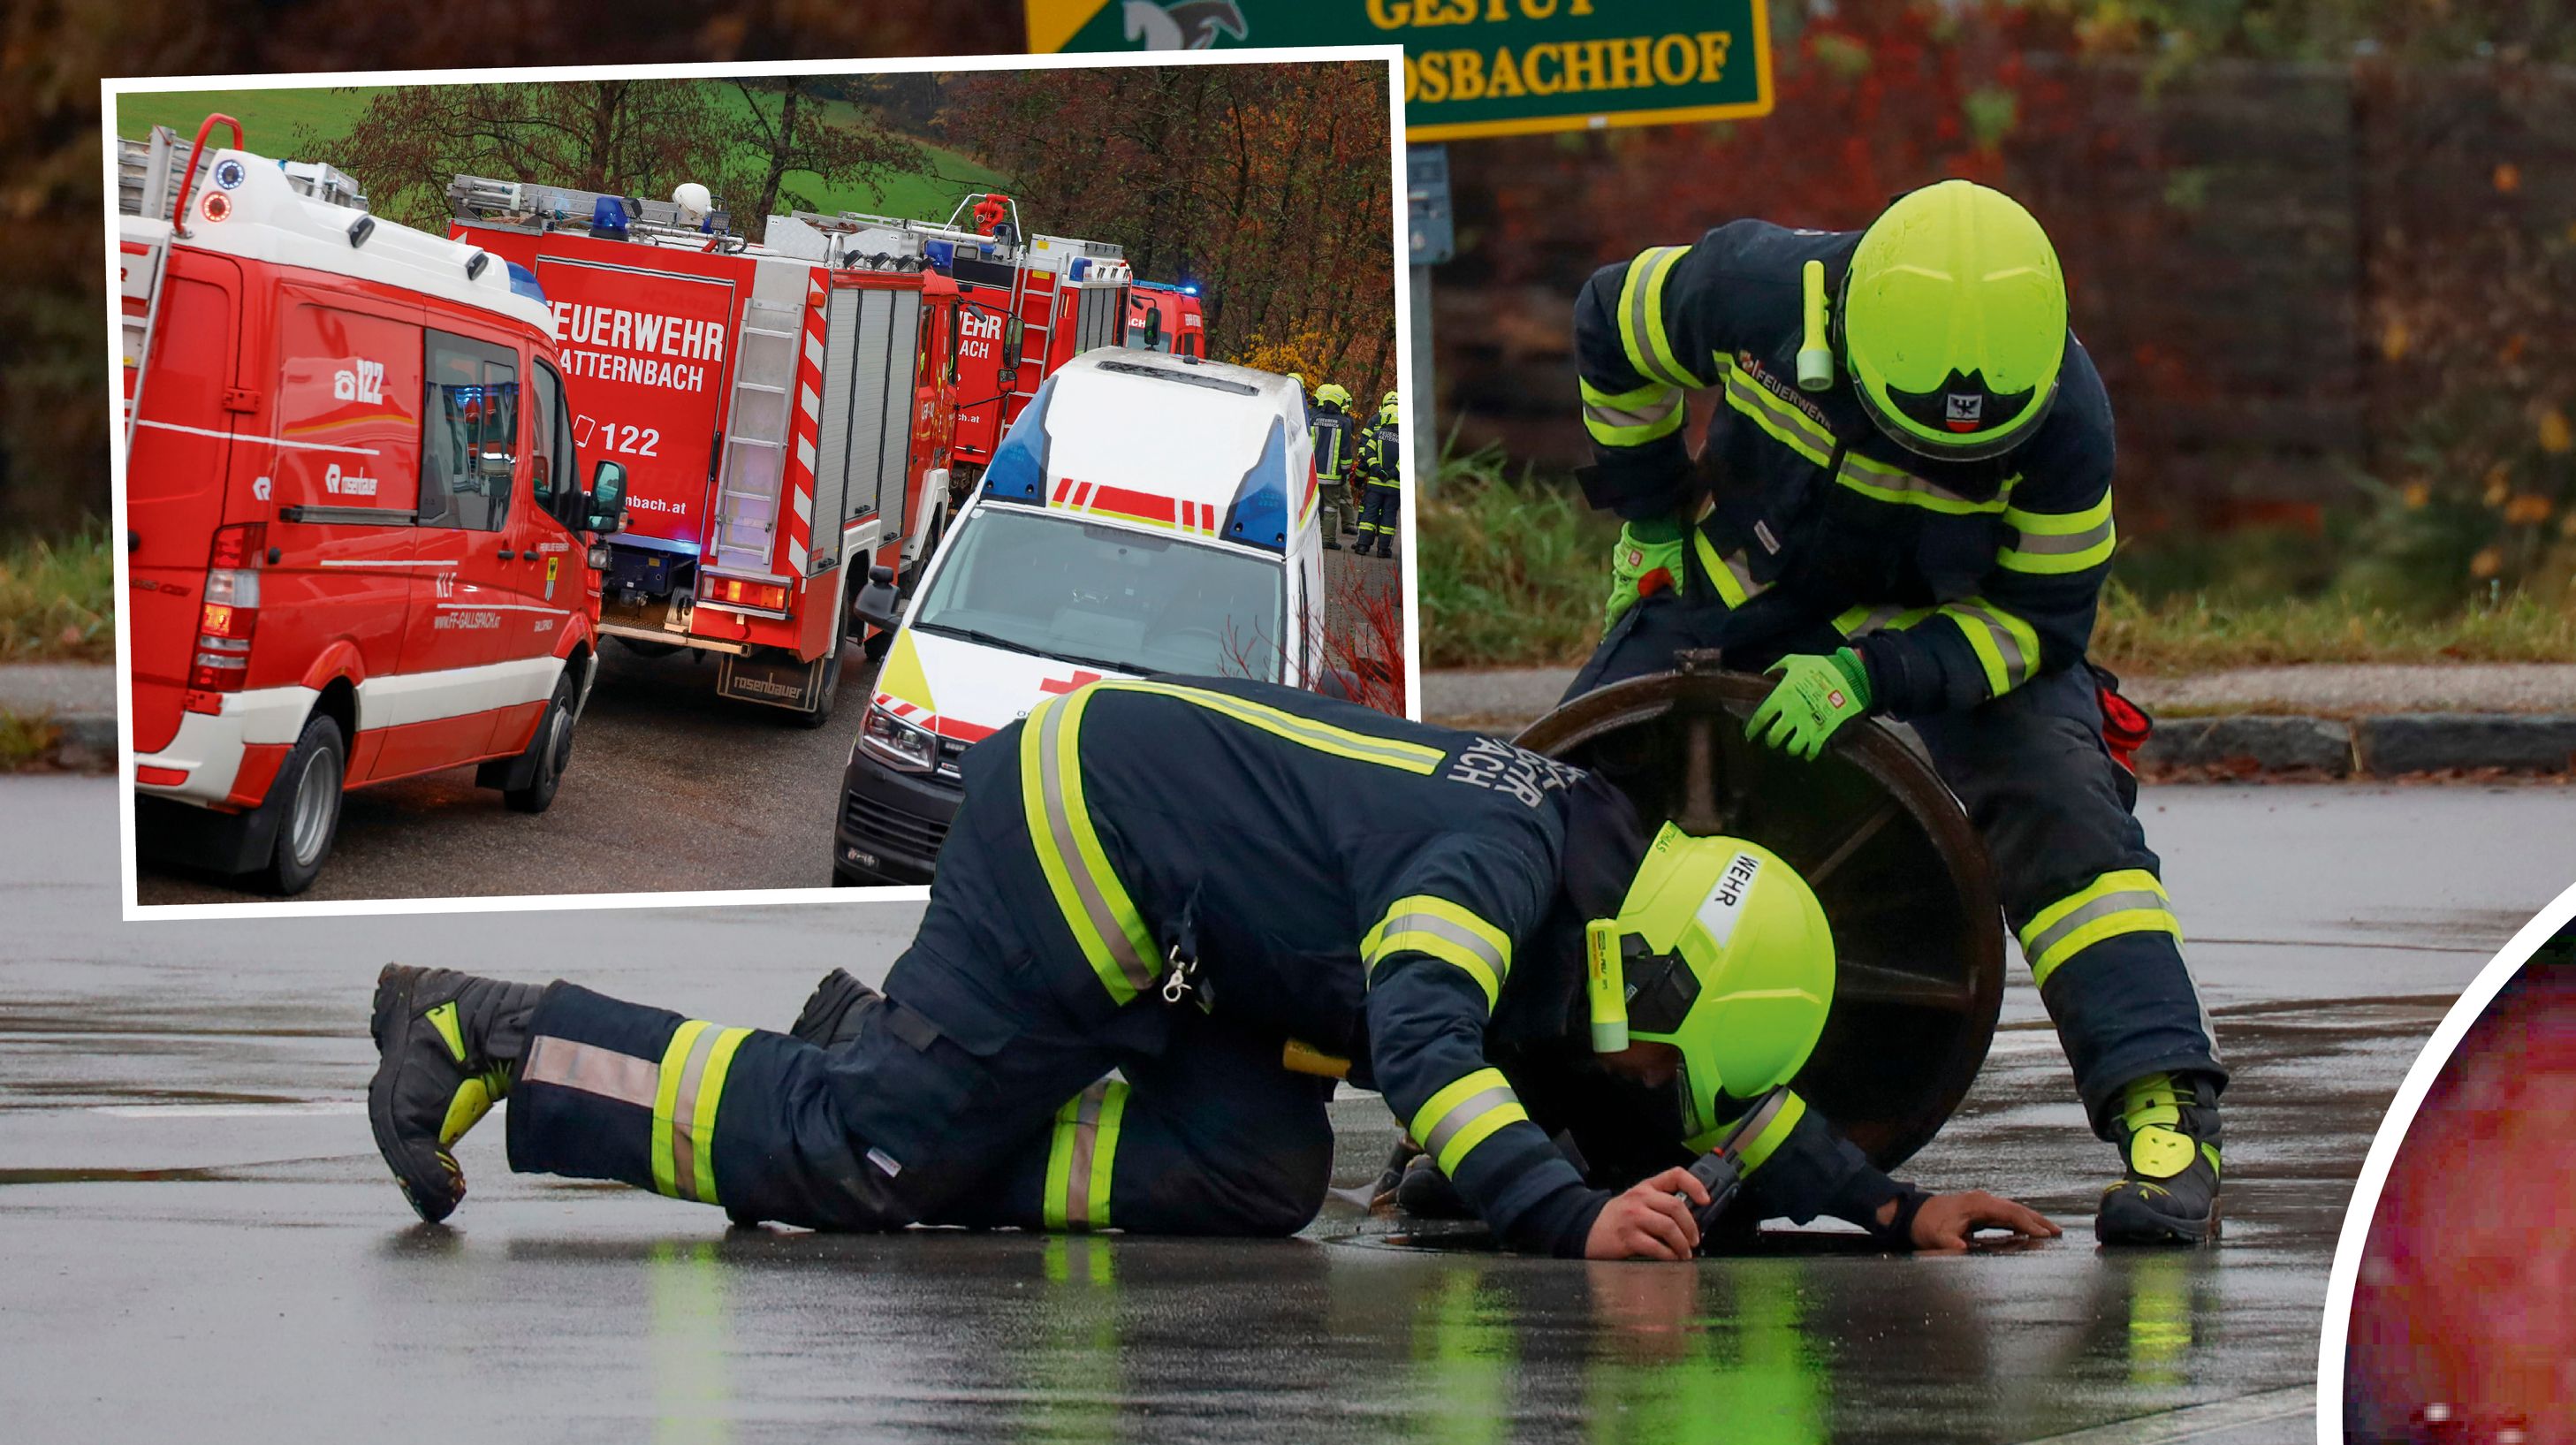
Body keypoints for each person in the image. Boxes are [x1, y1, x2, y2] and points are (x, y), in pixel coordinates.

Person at [366, 680, 2053, 1259]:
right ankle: (494, 1030)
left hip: (1219, 951)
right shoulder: (1508, 863)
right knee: (870, 1163)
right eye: (1659, 1069)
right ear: (1653, 983)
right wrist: (1569, 1217)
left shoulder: (1635, 896)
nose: (1650, 1106)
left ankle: (893, 1054)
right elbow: (1423, 1038)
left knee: (1257, 1168)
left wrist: (1895, 1209)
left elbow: (1725, 1110)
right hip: (1084, 845)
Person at [1563, 179, 2224, 1245]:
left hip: (1949, 640)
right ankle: (1506, 1116)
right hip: (1745, 602)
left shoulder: (2065, 416)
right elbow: (1608, 316)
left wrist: (1872, 677)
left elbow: (2037, 626)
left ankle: (2166, 1116)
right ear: (1846, 353)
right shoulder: (1753, 288)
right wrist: (1646, 515)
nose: (1940, 464)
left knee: (2063, 803)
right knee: (1569, 795)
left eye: (1969, 454)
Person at [1354, 390, 1401, 559]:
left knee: (1369, 514)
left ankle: (1362, 546)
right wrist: (1392, 473)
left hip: (1375, 484)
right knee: (1389, 517)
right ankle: (1383, 550)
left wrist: (1377, 471)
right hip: (1395, 486)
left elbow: (1368, 452)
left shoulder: (1377, 434)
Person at [1310, 382, 1356, 543]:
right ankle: (1327, 539)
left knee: (1313, 505)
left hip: (1313, 473)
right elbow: (1345, 451)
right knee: (1330, 506)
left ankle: (1311, 537)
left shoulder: (1315, 419)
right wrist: (1346, 472)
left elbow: (1309, 445)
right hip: (1332, 475)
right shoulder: (1344, 423)